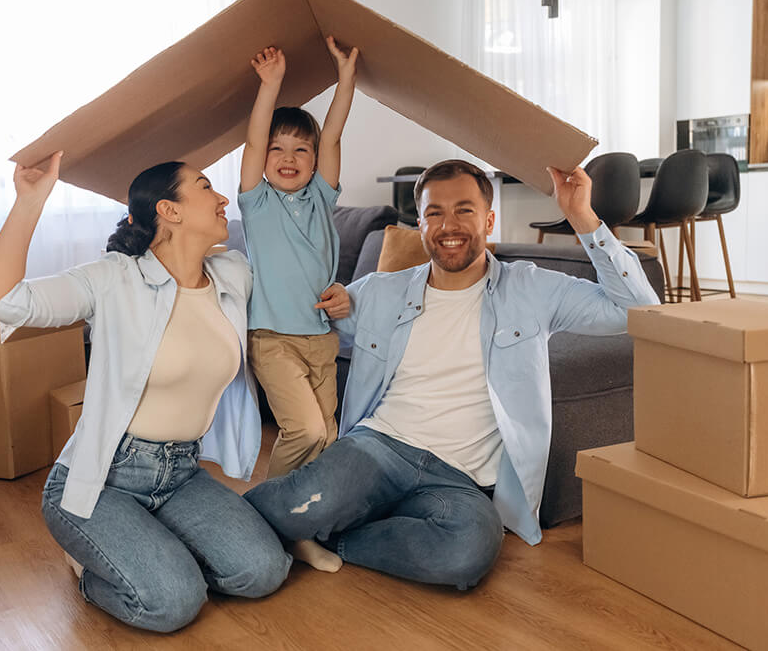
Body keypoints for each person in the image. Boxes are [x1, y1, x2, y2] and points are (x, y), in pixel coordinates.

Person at [244, 159, 661, 589]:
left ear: (489, 220)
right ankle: (278, 521)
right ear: (420, 223)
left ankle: (337, 538)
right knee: (293, 507)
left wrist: (582, 217)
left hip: (461, 478)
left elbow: (638, 309)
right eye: (435, 213)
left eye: (464, 210)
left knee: (467, 550)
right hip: (378, 449)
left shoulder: (532, 288)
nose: (449, 226)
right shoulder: (378, 291)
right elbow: (300, 325)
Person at [0, 153, 290, 632]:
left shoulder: (232, 274)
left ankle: (149, 549)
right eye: (206, 186)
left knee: (262, 571)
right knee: (173, 603)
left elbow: (297, 284)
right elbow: (0, 301)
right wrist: (30, 201)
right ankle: (92, 567)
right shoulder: (114, 278)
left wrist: (344, 296)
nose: (224, 198)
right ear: (169, 210)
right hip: (103, 479)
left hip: (182, 473)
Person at [238, 39, 357, 571]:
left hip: (322, 339)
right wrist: (271, 85)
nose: (288, 159)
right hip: (273, 339)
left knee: (326, 437)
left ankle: (299, 529)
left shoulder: (322, 198)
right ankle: (264, 514)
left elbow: (332, 133)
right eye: (278, 150)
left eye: (300, 151)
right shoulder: (256, 202)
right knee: (305, 430)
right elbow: (253, 137)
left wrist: (345, 78)